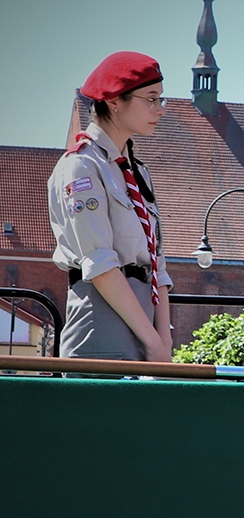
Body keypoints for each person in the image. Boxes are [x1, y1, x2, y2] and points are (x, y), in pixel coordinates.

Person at [48, 51, 173, 363]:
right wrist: (153, 341)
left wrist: (164, 340)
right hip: (101, 328)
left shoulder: (137, 172)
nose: (160, 109)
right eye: (151, 99)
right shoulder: (81, 166)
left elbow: (156, 264)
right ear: (115, 100)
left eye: (161, 99)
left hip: (143, 328)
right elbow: (101, 266)